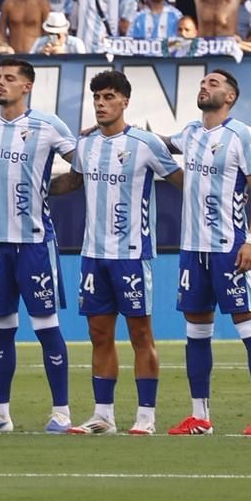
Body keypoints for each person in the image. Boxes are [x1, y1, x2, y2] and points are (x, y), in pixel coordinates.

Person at [49, 71, 181, 436]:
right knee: (99, 334)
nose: (101, 104)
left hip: (132, 254)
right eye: (97, 99)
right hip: (93, 255)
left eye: (108, 97)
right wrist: (37, 188)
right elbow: (73, 180)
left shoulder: (145, 144)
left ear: (125, 101)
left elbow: (181, 180)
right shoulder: (86, 145)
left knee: (140, 334)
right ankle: (102, 415)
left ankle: (146, 416)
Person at [0, 58, 79, 434]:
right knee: (1, 328)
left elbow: (84, 166)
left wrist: (51, 188)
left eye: (9, 78)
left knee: (45, 326)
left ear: (27, 86)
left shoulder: (47, 125)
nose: (0, 83)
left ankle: (61, 412)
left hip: (35, 243)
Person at [167, 70, 251, 436]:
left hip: (230, 247)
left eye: (213, 84)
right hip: (192, 251)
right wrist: (117, 131)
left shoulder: (243, 136)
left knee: (249, 325)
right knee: (196, 330)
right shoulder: (190, 133)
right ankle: (200, 416)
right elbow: (160, 144)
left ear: (229, 97)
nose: (204, 87)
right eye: (203, 83)